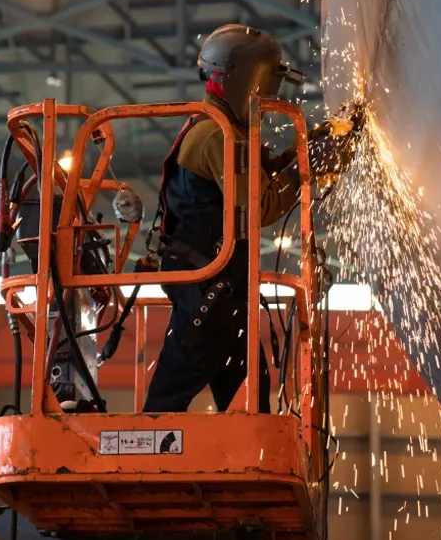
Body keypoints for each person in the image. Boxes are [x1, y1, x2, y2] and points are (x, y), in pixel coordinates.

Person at [141, 24, 351, 413]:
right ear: (245, 79)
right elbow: (261, 206)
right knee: (169, 399)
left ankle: (241, 470)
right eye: (266, 86)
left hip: (221, 291)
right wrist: (306, 170)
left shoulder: (224, 129)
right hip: (209, 294)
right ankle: (141, 464)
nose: (269, 98)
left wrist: (308, 150)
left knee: (250, 392)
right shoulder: (216, 135)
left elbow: (261, 180)